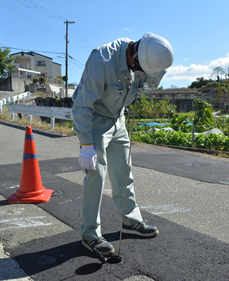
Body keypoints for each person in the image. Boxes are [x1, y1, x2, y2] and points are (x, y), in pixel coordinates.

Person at [72, 33, 174, 256]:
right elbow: (82, 105)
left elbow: (149, 82)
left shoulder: (143, 57)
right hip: (95, 120)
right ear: (135, 59)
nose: (142, 76)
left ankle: (130, 221)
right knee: (95, 176)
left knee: (124, 173)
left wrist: (159, 69)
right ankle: (90, 234)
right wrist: (86, 144)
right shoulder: (102, 60)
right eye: (142, 71)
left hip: (118, 119)